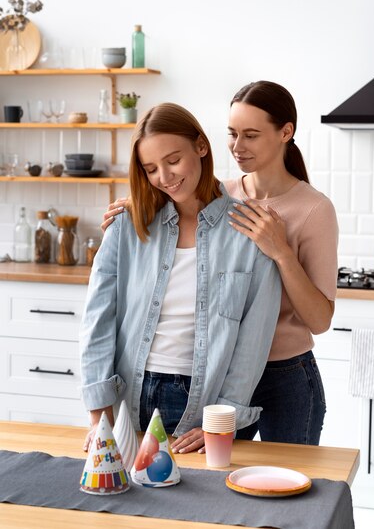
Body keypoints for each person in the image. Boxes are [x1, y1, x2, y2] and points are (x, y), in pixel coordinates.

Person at [101, 81, 338, 446]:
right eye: (232, 133)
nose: (237, 147)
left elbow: (320, 320)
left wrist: (281, 253)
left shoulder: (313, 209)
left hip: (284, 377)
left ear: (285, 132)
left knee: (286, 493)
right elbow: (171, 202)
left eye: (251, 135)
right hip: (218, 375)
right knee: (218, 489)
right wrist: (132, 210)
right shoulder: (221, 197)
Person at [80, 102, 281, 455]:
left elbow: (254, 338)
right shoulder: (127, 227)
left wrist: (222, 419)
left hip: (204, 405)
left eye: (173, 160)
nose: (165, 176)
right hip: (128, 397)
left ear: (201, 146)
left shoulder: (251, 230)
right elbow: (98, 321)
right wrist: (99, 414)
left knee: (197, 506)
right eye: (151, 168)